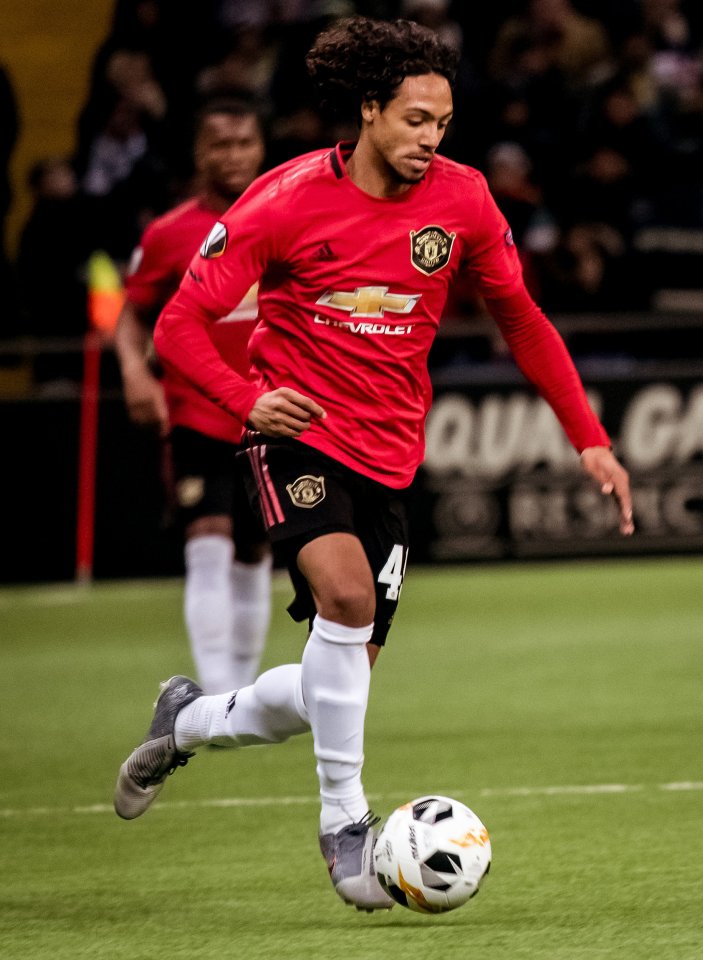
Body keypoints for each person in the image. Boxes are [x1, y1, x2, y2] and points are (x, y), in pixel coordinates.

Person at [114, 16, 634, 913]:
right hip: (295, 435)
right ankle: (344, 827)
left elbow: (522, 319)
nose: (432, 140)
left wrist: (588, 433)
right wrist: (246, 402)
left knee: (330, 688)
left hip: (391, 459)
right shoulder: (280, 201)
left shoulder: (465, 201)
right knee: (346, 601)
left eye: (442, 122)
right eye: (415, 120)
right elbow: (175, 327)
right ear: (368, 111)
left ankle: (187, 719)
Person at [114, 93, 272, 694]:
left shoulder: (289, 218)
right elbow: (130, 314)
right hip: (198, 411)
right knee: (208, 539)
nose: (233, 156)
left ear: (261, 148)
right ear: (198, 152)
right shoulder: (169, 235)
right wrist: (133, 370)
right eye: (220, 144)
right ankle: (218, 695)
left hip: (272, 412)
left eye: (244, 143)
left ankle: (240, 691)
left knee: (256, 550)